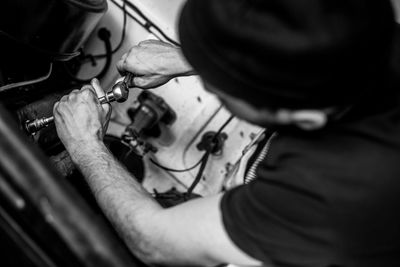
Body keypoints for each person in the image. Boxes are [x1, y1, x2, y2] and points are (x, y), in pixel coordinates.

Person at [53, 0, 400, 266]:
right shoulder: (362, 30)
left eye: (217, 90)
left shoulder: (331, 191)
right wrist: (189, 58)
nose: (207, 83)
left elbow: (153, 241)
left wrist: (85, 143)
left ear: (305, 119)